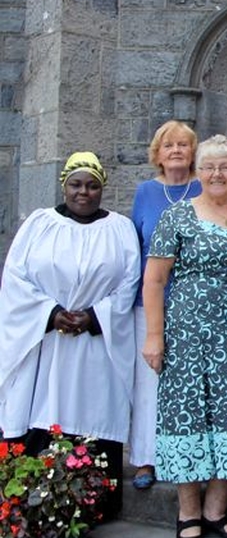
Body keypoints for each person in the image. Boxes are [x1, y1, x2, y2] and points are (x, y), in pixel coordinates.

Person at [0, 151, 140, 519]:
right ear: (64, 185)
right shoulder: (39, 224)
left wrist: (94, 317)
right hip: (46, 342)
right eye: (76, 184)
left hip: (97, 343)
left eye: (92, 185)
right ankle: (35, 509)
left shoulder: (120, 228)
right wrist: (52, 314)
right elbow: (16, 278)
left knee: (95, 414)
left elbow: (129, 283)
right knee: (44, 410)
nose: (84, 192)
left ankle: (93, 511)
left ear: (102, 188)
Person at [142, 135, 227, 538]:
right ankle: (188, 513)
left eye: (225, 166)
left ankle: (216, 511)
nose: (217, 174)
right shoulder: (177, 217)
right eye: (209, 166)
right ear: (197, 172)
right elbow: (155, 280)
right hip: (186, 336)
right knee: (187, 419)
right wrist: (154, 336)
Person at [129, 120, 201, 491]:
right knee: (150, 382)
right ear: (157, 153)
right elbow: (134, 247)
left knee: (188, 384)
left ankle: (187, 456)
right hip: (151, 301)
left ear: (193, 153)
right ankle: (146, 459)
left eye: (183, 145)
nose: (176, 151)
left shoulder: (203, 189)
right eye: (168, 145)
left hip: (195, 306)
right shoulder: (145, 193)